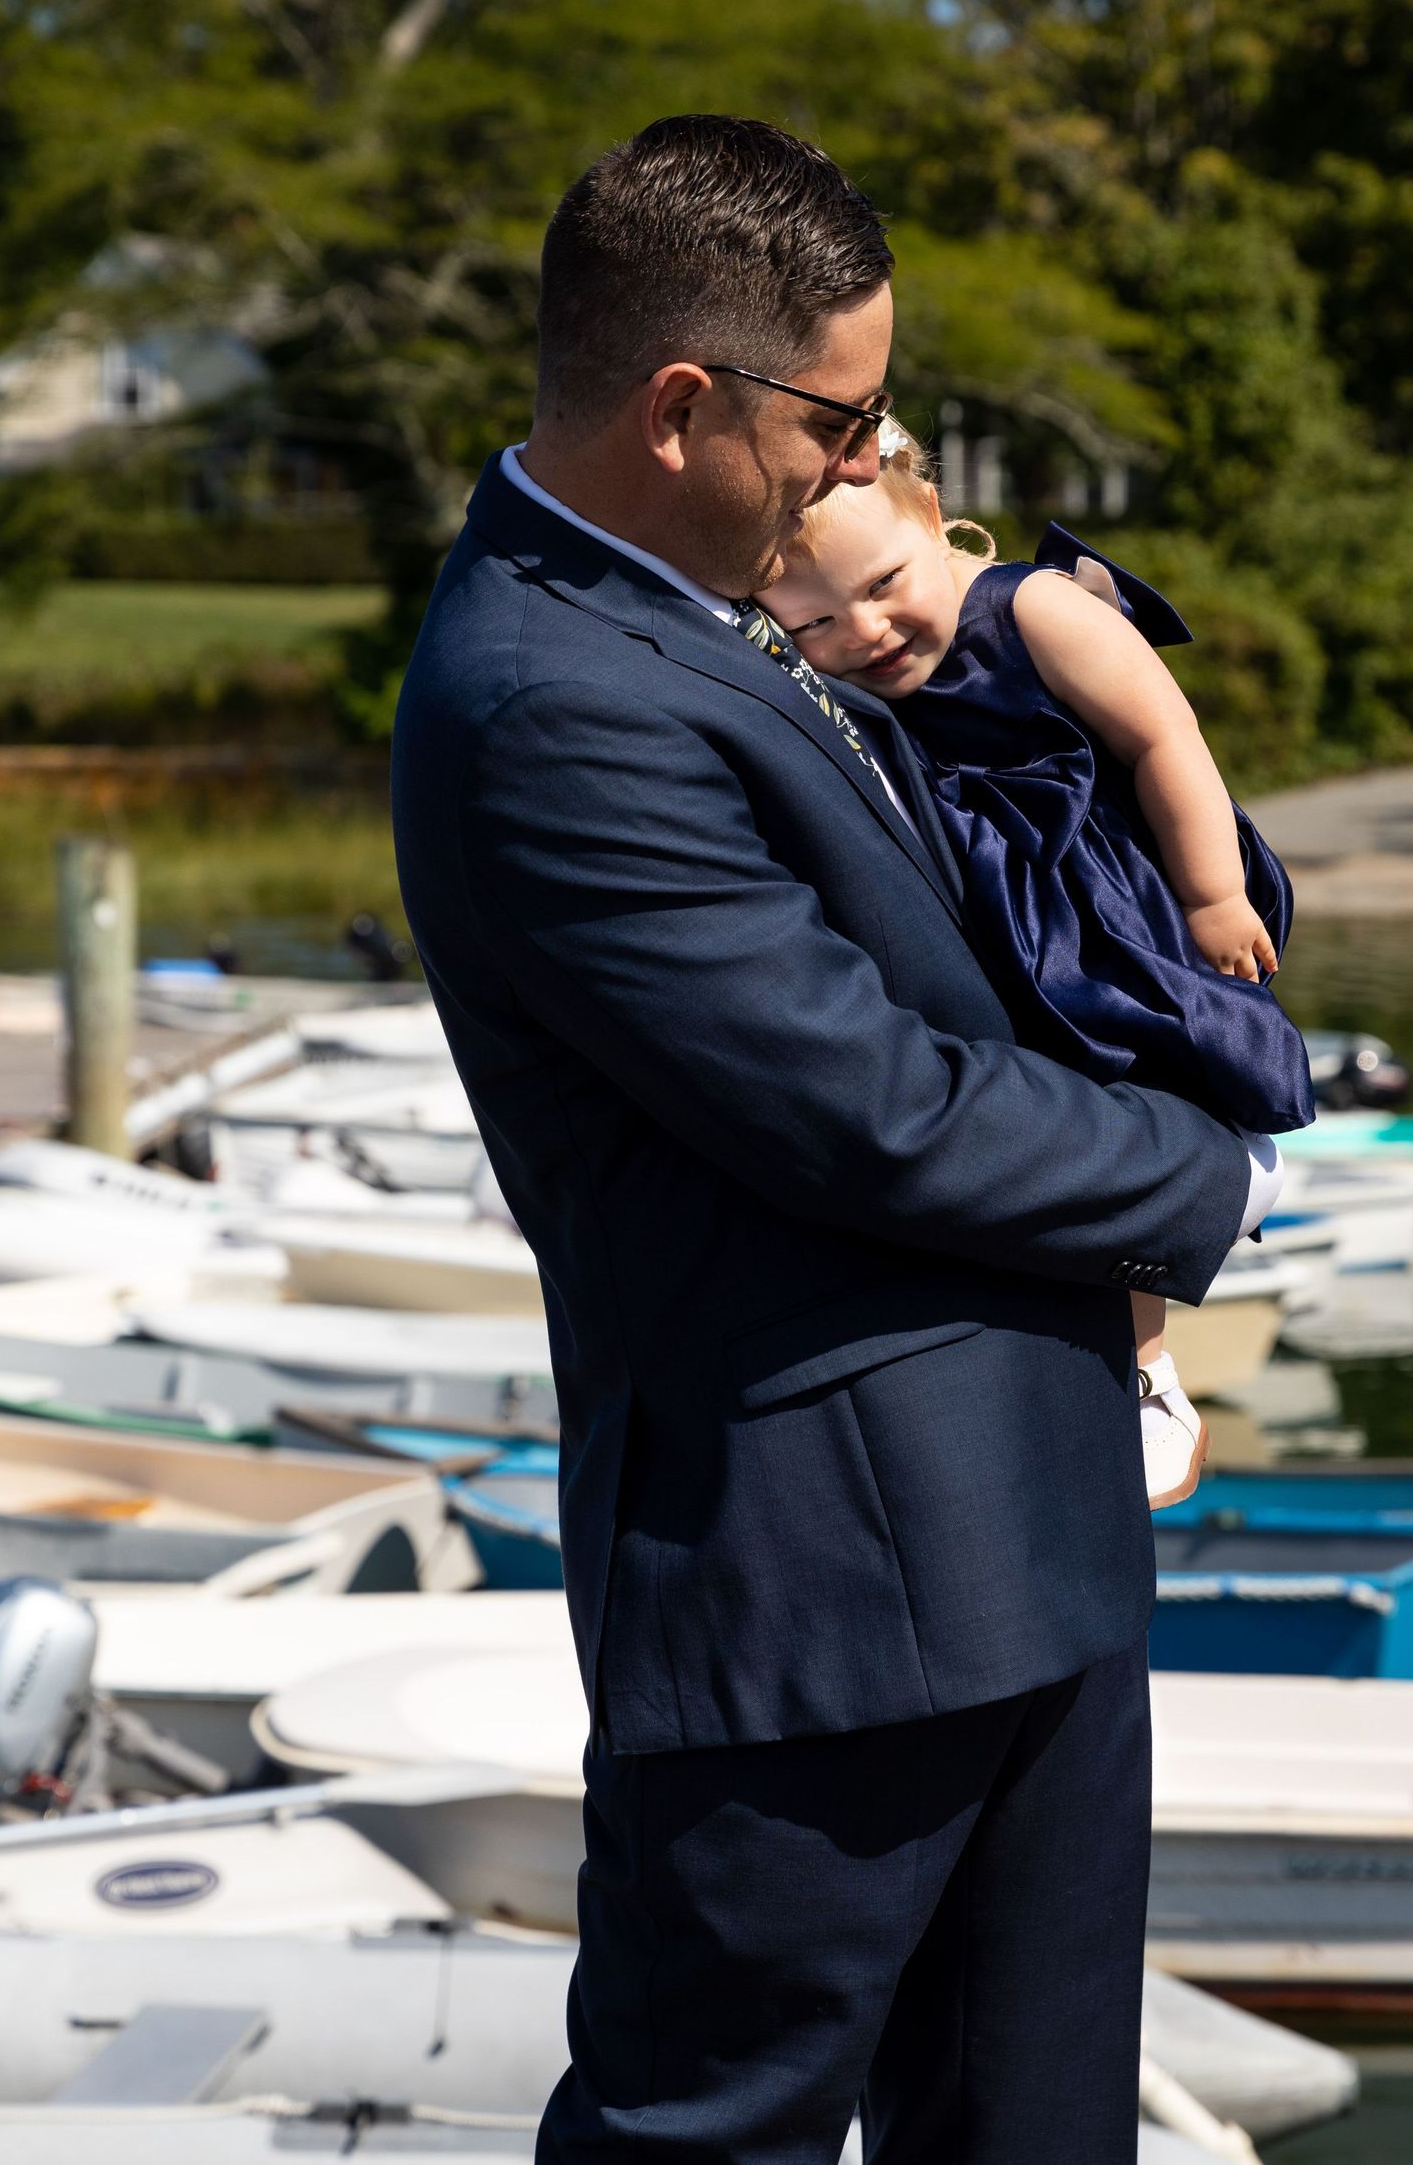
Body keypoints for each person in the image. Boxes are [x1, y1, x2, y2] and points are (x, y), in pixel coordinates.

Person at [390, 114, 1285, 2165]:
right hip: (813, 1607)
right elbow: (862, 1108)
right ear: (686, 406)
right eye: (844, 418)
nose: (867, 467)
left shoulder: (706, 610)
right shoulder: (549, 698)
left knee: (1035, 2138)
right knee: (717, 2136)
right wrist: (1210, 1171)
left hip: (1030, 1545)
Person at [763, 435, 1314, 1510]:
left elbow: (1165, 737)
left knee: (1130, 1098)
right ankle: (1105, 1362)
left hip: (1094, 903)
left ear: (937, 521)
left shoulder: (1036, 612)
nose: (865, 631)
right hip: (985, 915)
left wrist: (1212, 895)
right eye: (815, 621)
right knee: (1028, 1121)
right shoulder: (840, 674)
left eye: (883, 586)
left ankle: (1150, 1369)